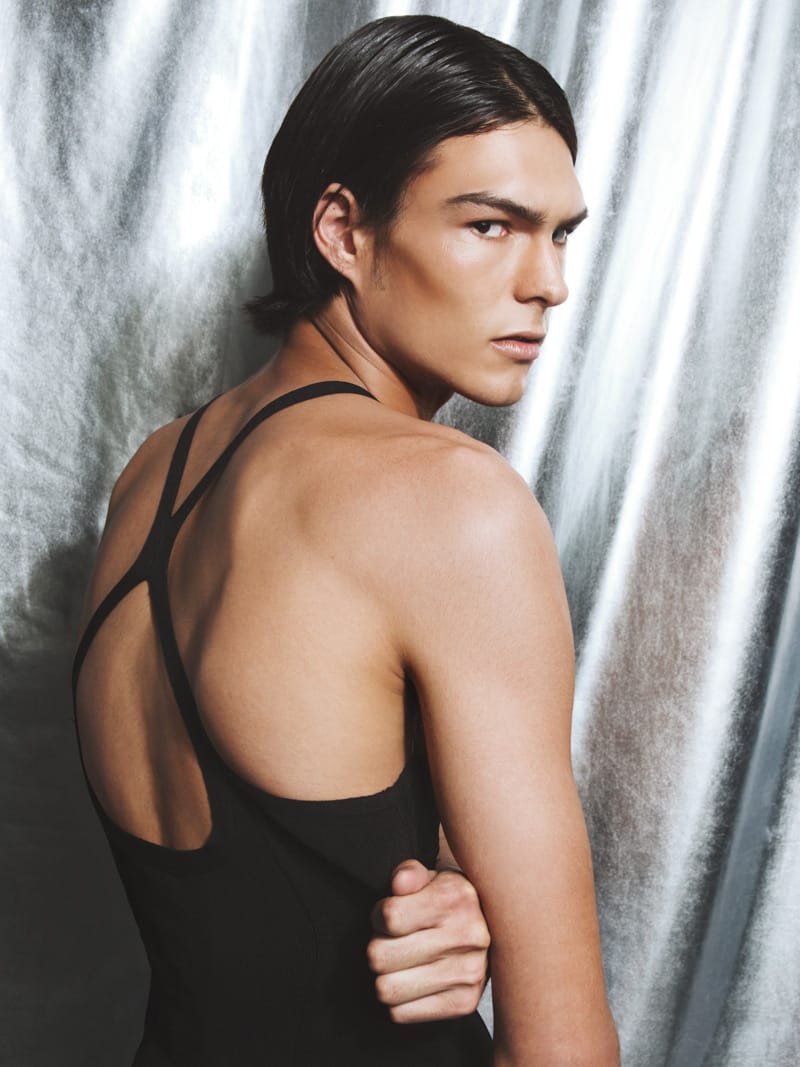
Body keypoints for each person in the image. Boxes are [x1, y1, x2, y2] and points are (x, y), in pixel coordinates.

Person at [73, 14, 619, 1067]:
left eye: (559, 234)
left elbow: (277, 887)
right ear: (341, 230)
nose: (547, 282)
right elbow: (562, 1048)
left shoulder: (151, 474)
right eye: (490, 225)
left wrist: (456, 894)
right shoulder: (453, 501)